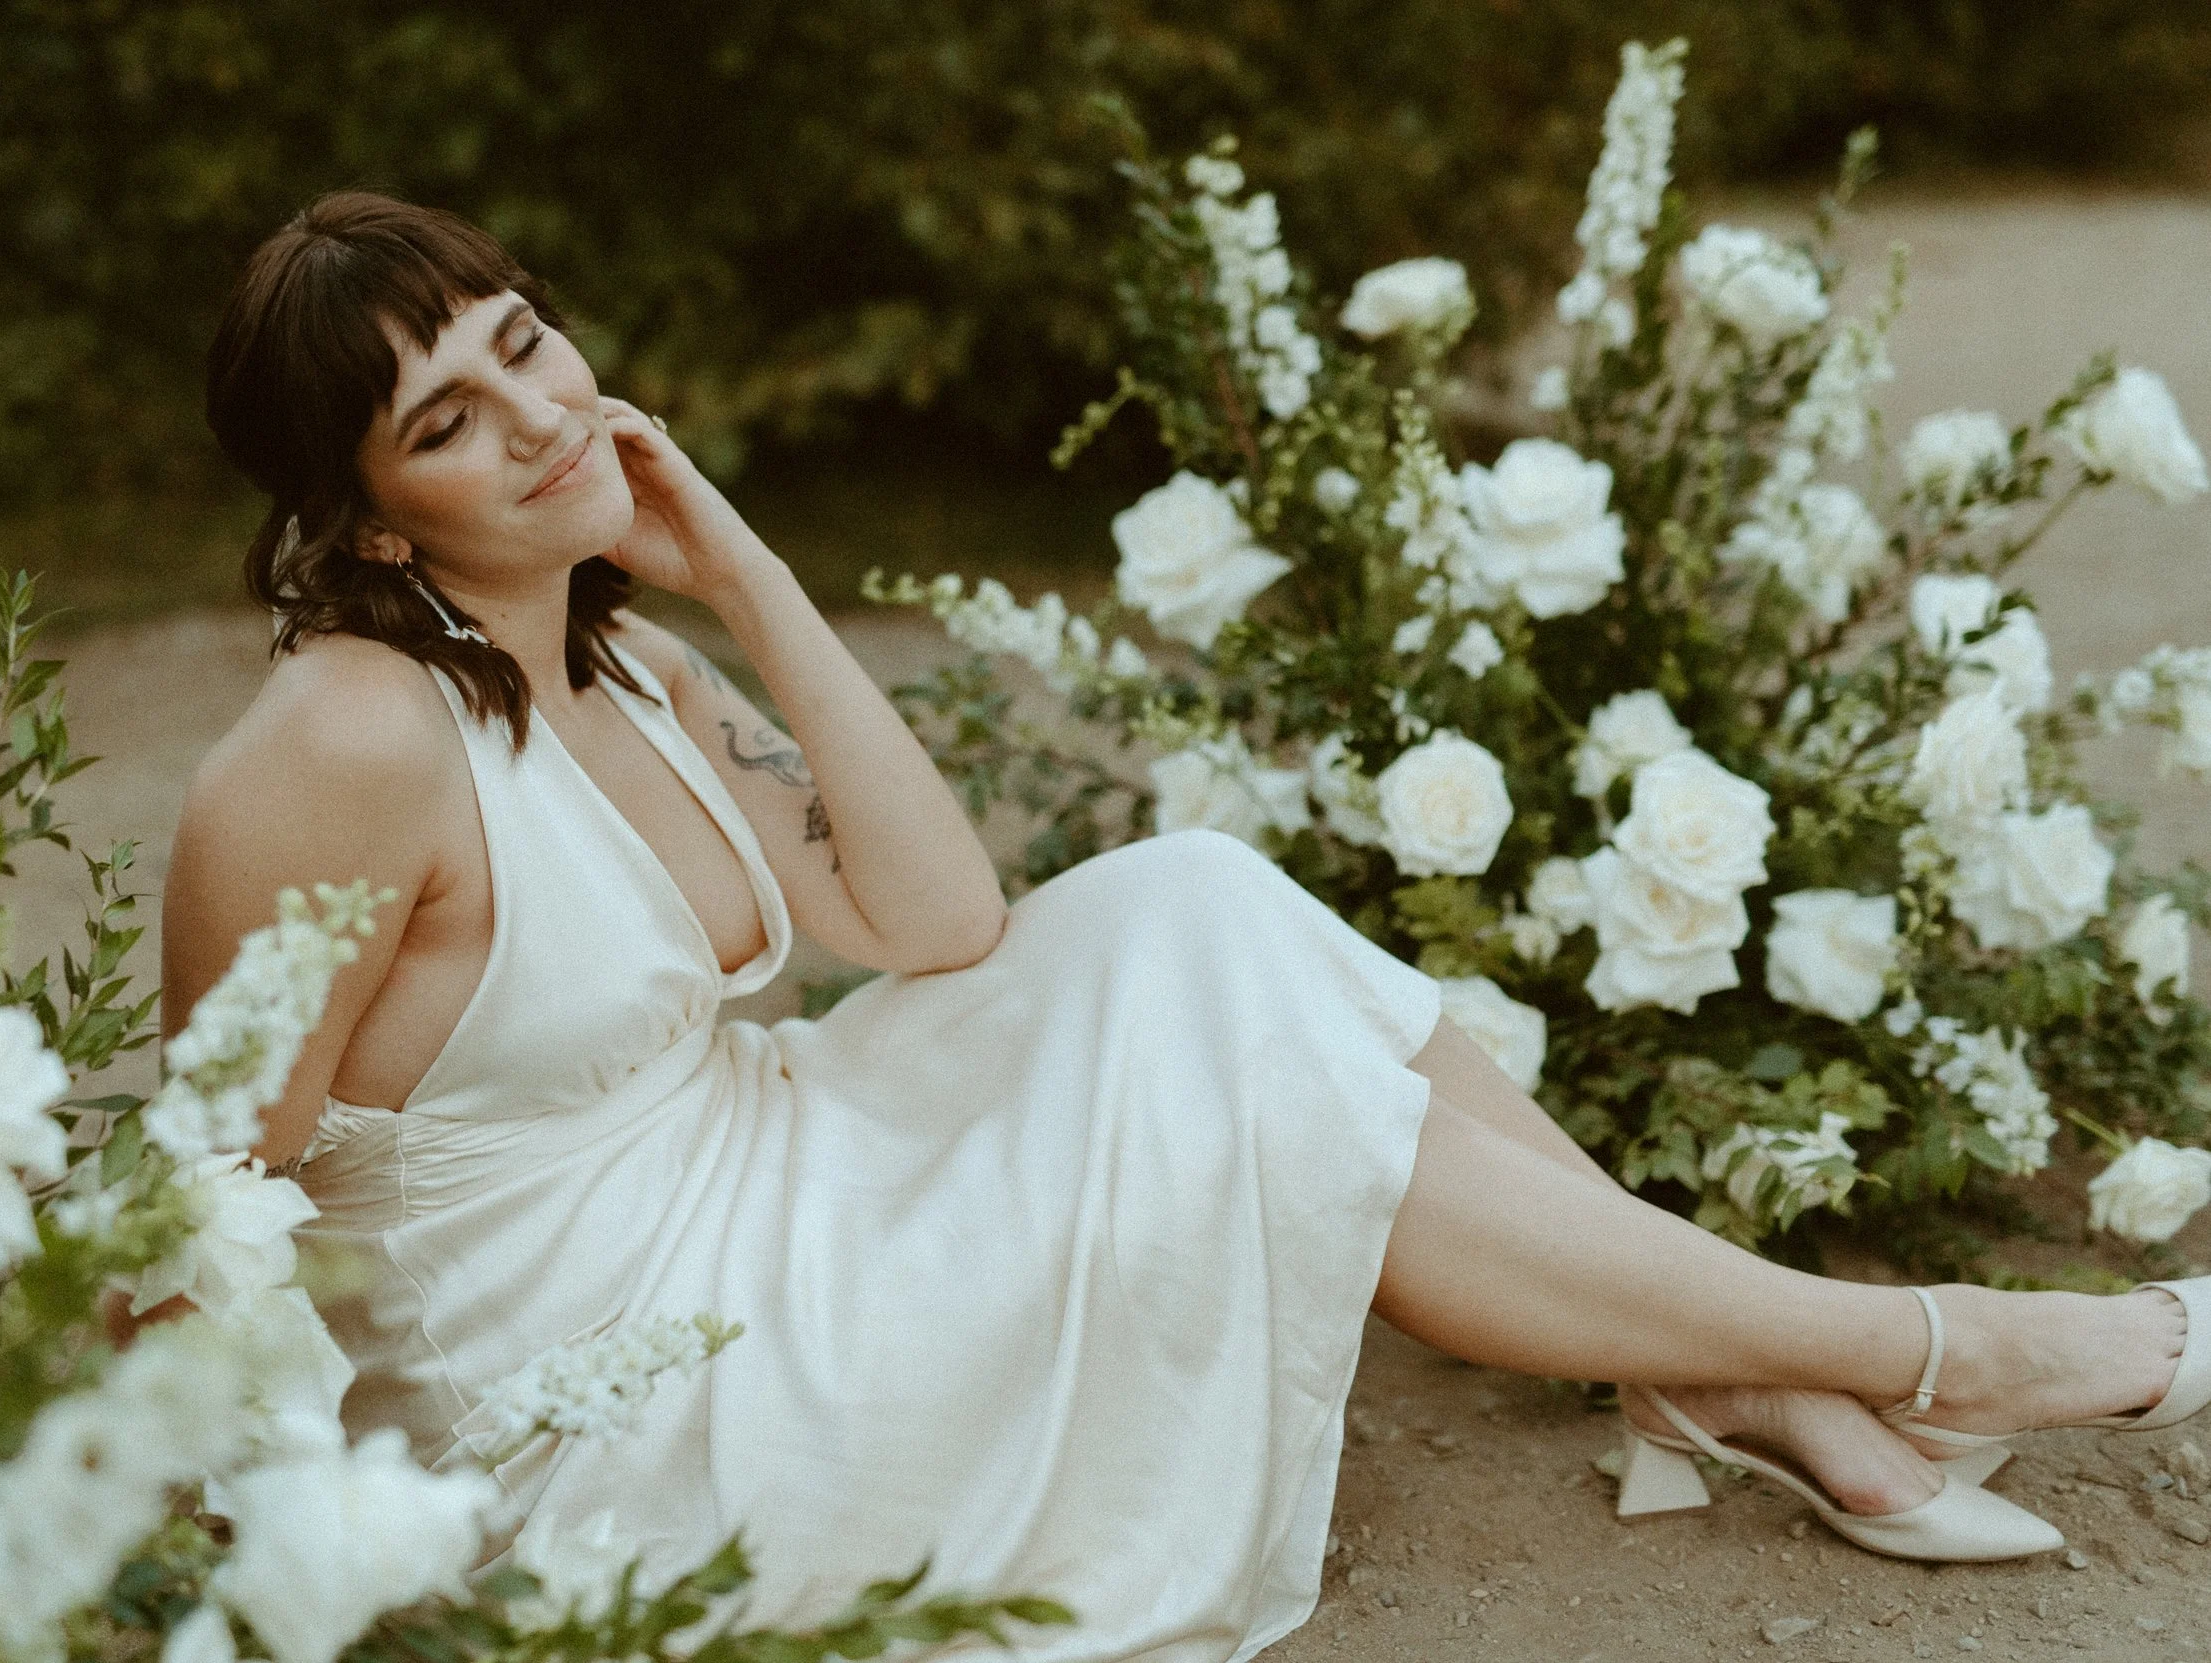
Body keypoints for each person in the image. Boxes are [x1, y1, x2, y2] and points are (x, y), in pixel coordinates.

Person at [164, 191, 2206, 1660]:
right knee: (1228, 1039)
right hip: (626, 1405)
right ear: (360, 520)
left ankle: (1721, 1368)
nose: (528, 417)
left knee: (1193, 906)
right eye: (439, 419)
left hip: (765, 1195)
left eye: (518, 338)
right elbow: (193, 1215)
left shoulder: (620, 674)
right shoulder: (344, 738)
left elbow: (937, 921)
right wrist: (266, 1570)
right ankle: (1916, 1349)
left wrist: (740, 570)